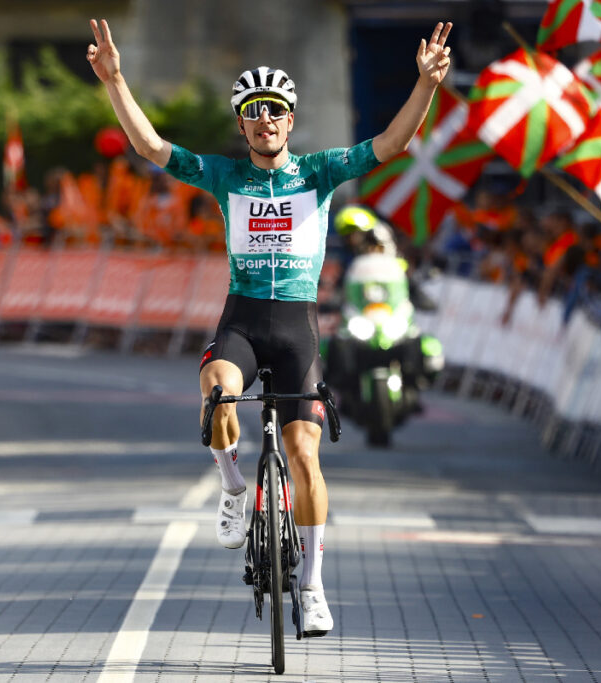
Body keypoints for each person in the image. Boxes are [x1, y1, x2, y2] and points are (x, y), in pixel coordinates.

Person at [87, 16, 452, 638]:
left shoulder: (320, 172)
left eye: (275, 110)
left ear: (289, 119)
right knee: (217, 391)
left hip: (297, 330)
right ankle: (233, 487)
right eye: (253, 112)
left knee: (305, 454)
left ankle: (312, 586)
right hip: (244, 321)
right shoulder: (226, 176)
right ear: (242, 125)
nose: (265, 120)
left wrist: (426, 85)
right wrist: (116, 81)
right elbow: (151, 148)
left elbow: (390, 145)